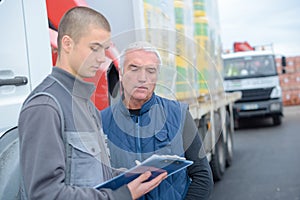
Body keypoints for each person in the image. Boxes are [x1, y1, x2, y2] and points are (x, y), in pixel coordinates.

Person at [18, 7, 167, 200]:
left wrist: (129, 176)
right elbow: (45, 194)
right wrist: (121, 195)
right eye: (94, 48)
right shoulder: (45, 106)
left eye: (104, 49)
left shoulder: (87, 106)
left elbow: (94, 176)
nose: (101, 58)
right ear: (67, 44)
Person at [101, 41, 214, 200]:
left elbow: (202, 176)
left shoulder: (178, 114)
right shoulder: (101, 122)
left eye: (151, 70)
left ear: (157, 76)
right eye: (134, 69)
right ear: (121, 73)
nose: (142, 78)